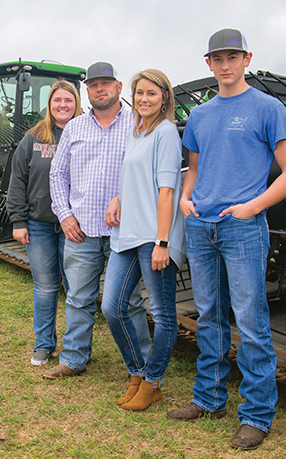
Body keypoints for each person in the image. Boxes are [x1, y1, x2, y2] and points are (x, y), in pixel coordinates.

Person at [166, 29, 286, 451]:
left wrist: (252, 206)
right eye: (217, 59)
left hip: (241, 227)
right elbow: (194, 167)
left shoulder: (268, 107)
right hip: (200, 225)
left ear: (246, 59)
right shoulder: (202, 115)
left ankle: (257, 415)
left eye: (232, 57)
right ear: (208, 64)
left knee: (250, 321)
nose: (224, 65)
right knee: (208, 315)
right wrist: (187, 199)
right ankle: (208, 399)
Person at [43, 62, 151, 380]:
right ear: (87, 91)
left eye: (105, 83)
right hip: (82, 229)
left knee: (129, 300)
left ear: (118, 86)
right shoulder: (75, 128)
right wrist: (64, 215)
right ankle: (74, 358)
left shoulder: (139, 124)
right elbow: (58, 174)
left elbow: (149, 172)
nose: (99, 89)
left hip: (126, 231)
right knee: (78, 297)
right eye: (93, 85)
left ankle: (142, 364)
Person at [102, 69, 185, 411]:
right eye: (139, 93)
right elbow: (135, 177)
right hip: (128, 232)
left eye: (152, 93)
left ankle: (152, 382)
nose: (144, 99)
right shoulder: (135, 132)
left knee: (163, 314)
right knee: (112, 307)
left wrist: (163, 242)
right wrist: (118, 198)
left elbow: (167, 191)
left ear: (164, 97)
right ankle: (137, 372)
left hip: (154, 235)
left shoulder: (166, 133)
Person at [7, 80, 82, 366]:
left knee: (76, 288)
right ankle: (44, 344)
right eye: (57, 100)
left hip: (73, 225)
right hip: (38, 224)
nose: (63, 105)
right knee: (46, 286)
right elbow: (18, 180)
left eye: (68, 100)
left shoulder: (83, 134)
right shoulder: (34, 137)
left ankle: (75, 347)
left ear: (76, 103)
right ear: (49, 104)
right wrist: (18, 220)